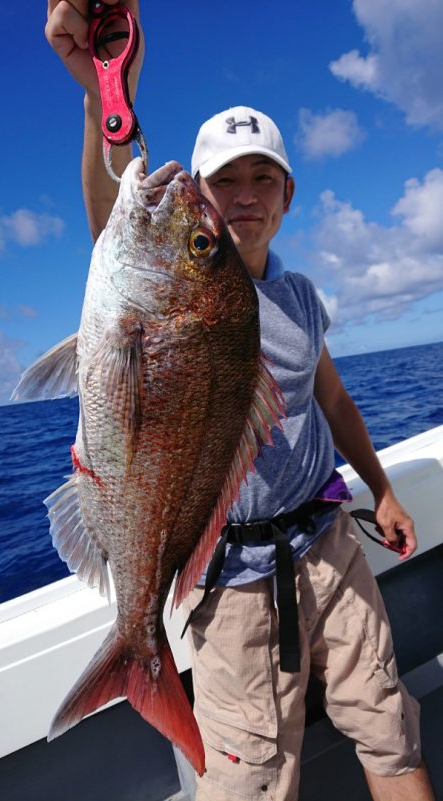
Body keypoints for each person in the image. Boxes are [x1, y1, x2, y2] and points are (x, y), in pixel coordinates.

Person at [45, 3, 436, 800]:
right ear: (206, 204)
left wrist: (384, 487)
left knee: (389, 725)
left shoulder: (296, 296)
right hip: (230, 588)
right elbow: (114, 217)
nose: (245, 194)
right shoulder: (168, 298)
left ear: (289, 195)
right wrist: (100, 91)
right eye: (224, 181)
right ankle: (139, 645)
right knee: (255, 782)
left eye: (264, 177)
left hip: (330, 545)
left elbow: (333, 395)